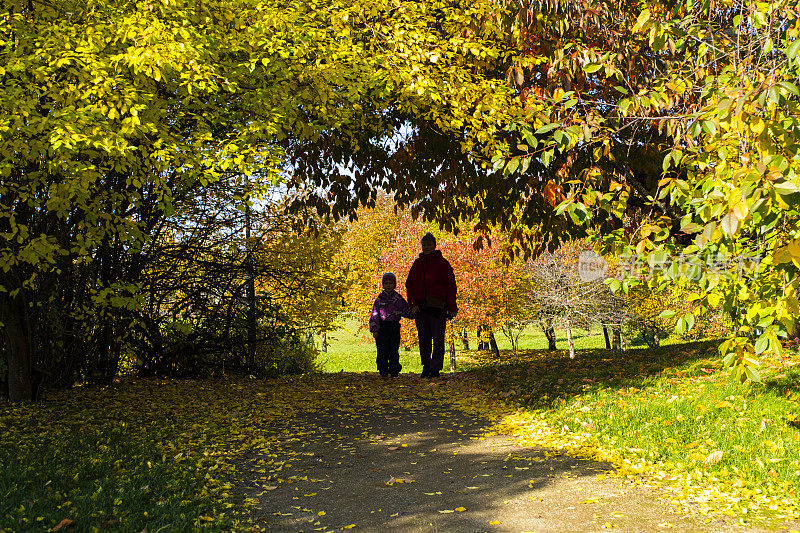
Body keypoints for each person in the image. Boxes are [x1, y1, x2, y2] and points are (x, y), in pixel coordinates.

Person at [405, 233, 458, 378]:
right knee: (424, 339)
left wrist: (452, 307)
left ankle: (435, 368)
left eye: (429, 244)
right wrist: (413, 304)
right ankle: (426, 366)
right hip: (421, 308)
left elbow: (450, 286)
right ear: (421, 247)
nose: (427, 247)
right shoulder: (417, 264)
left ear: (434, 245)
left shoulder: (442, 263)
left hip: (438, 307)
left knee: (438, 339)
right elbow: (409, 284)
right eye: (424, 245)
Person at [369, 272, 414, 378]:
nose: (388, 285)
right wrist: (375, 329)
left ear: (395, 285)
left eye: (391, 283)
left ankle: (394, 370)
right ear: (383, 285)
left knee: (394, 349)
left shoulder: (398, 299)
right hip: (382, 328)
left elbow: (406, 310)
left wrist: (415, 314)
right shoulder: (379, 300)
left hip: (394, 327)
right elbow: (375, 315)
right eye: (386, 283)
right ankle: (383, 370)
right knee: (382, 350)